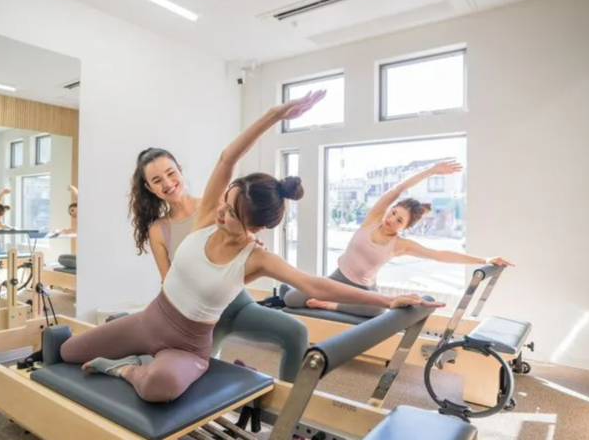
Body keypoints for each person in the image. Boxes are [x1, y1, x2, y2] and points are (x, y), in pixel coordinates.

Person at [59, 91, 444, 403]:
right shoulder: (205, 214)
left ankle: (123, 368)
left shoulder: (256, 257)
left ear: (255, 226)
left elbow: (316, 286)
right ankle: (134, 359)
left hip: (190, 343)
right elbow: (229, 157)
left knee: (160, 388)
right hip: (150, 320)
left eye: (230, 212)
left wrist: (385, 302)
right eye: (224, 202)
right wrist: (276, 114)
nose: (220, 212)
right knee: (68, 353)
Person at [127, 147, 307, 382]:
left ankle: (287, 410)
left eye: (171, 173)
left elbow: (244, 231)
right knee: (191, 379)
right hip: (199, 319)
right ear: (149, 188)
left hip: (238, 305)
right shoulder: (158, 230)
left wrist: (252, 242)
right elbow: (168, 281)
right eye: (157, 180)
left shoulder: (213, 205)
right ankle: (242, 373)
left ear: (180, 170)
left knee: (297, 332)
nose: (168, 183)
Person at [284, 160, 513, 317]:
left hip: (363, 288)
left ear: (405, 227)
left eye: (399, 220)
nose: (392, 219)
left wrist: (485, 258)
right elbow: (398, 189)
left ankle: (330, 305)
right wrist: (431, 170)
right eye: (393, 212)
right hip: (337, 279)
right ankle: (329, 299)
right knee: (291, 299)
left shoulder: (400, 245)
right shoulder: (373, 218)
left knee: (377, 310)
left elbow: (439, 255)